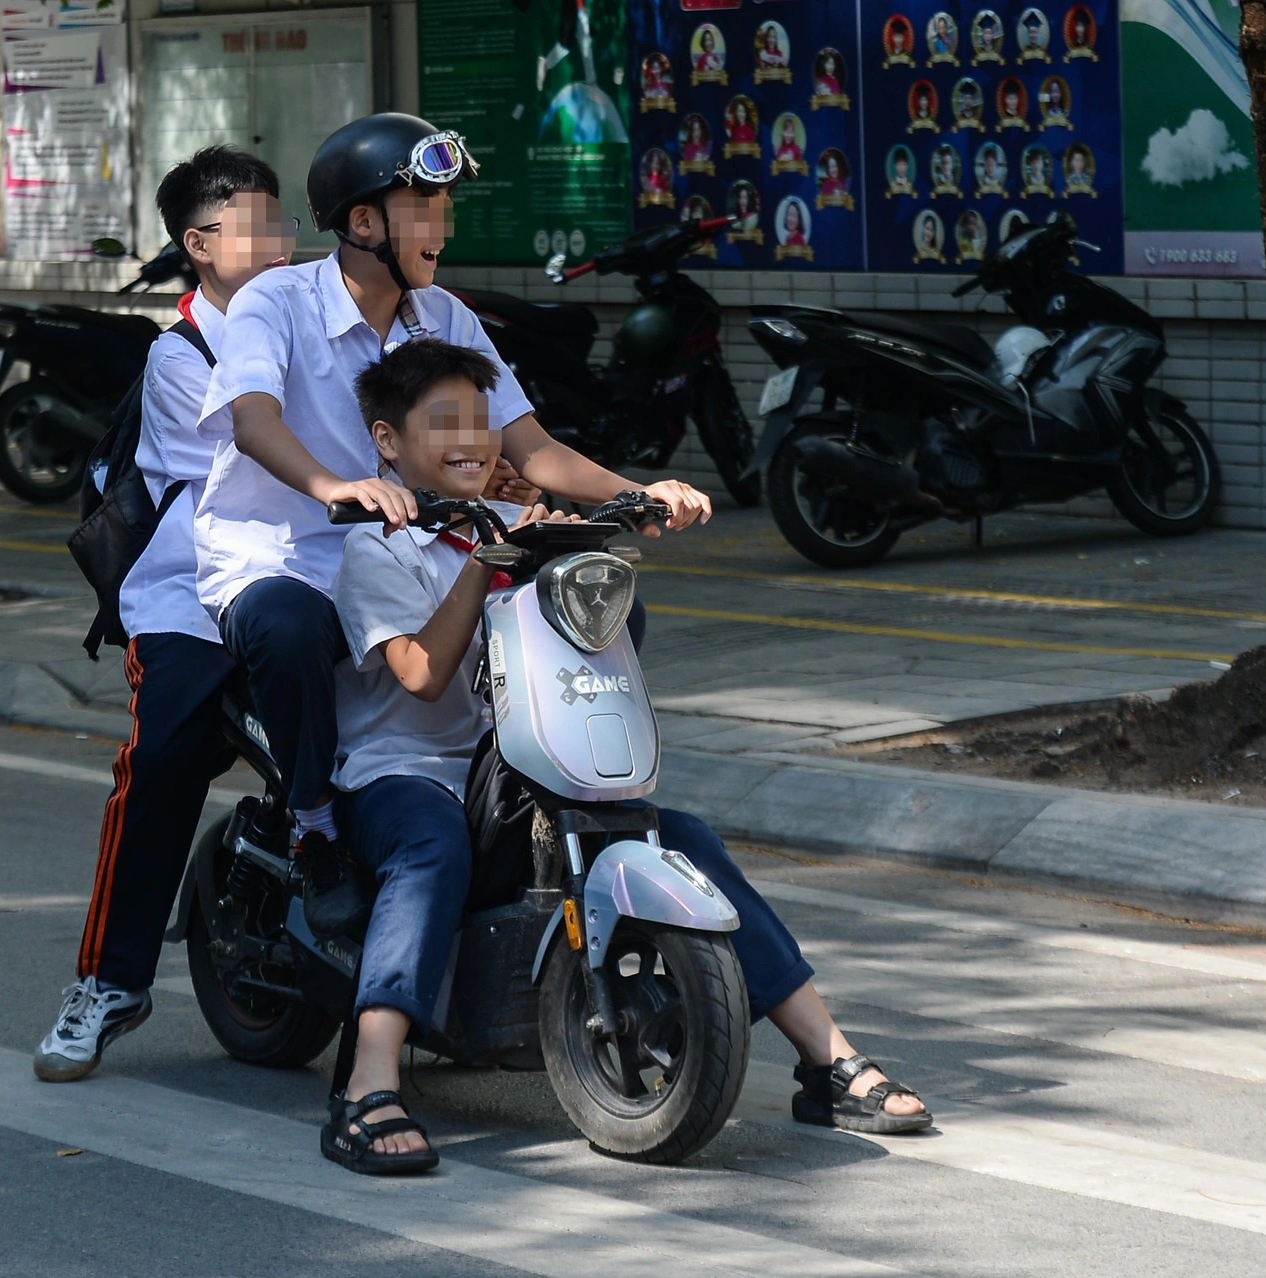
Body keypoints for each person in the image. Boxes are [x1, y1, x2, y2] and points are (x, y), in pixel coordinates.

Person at [320, 338, 933, 1174]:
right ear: (389, 442)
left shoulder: (523, 525)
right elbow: (421, 677)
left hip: (516, 777)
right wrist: (485, 566)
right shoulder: (378, 548)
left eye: (481, 420)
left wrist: (586, 536)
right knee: (431, 850)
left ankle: (828, 1061)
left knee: (682, 839)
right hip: (407, 774)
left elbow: (597, 637)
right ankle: (369, 1078)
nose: (471, 439)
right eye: (442, 423)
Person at [192, 113, 708, 931]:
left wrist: (639, 492)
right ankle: (318, 828)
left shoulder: (447, 317)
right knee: (289, 629)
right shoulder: (276, 301)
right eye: (425, 205)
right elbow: (252, 420)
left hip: (422, 553)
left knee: (603, 612)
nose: (444, 223)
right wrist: (341, 484)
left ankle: (512, 795)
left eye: (444, 205)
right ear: (364, 222)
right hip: (285, 555)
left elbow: (530, 446)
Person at [34, 147, 294, 1082]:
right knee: (165, 758)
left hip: (308, 578)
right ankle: (108, 981)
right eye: (256, 229)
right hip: (193, 596)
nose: (279, 245)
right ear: (200, 245)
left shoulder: (318, 320)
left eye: (284, 224)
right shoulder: (181, 355)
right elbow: (271, 463)